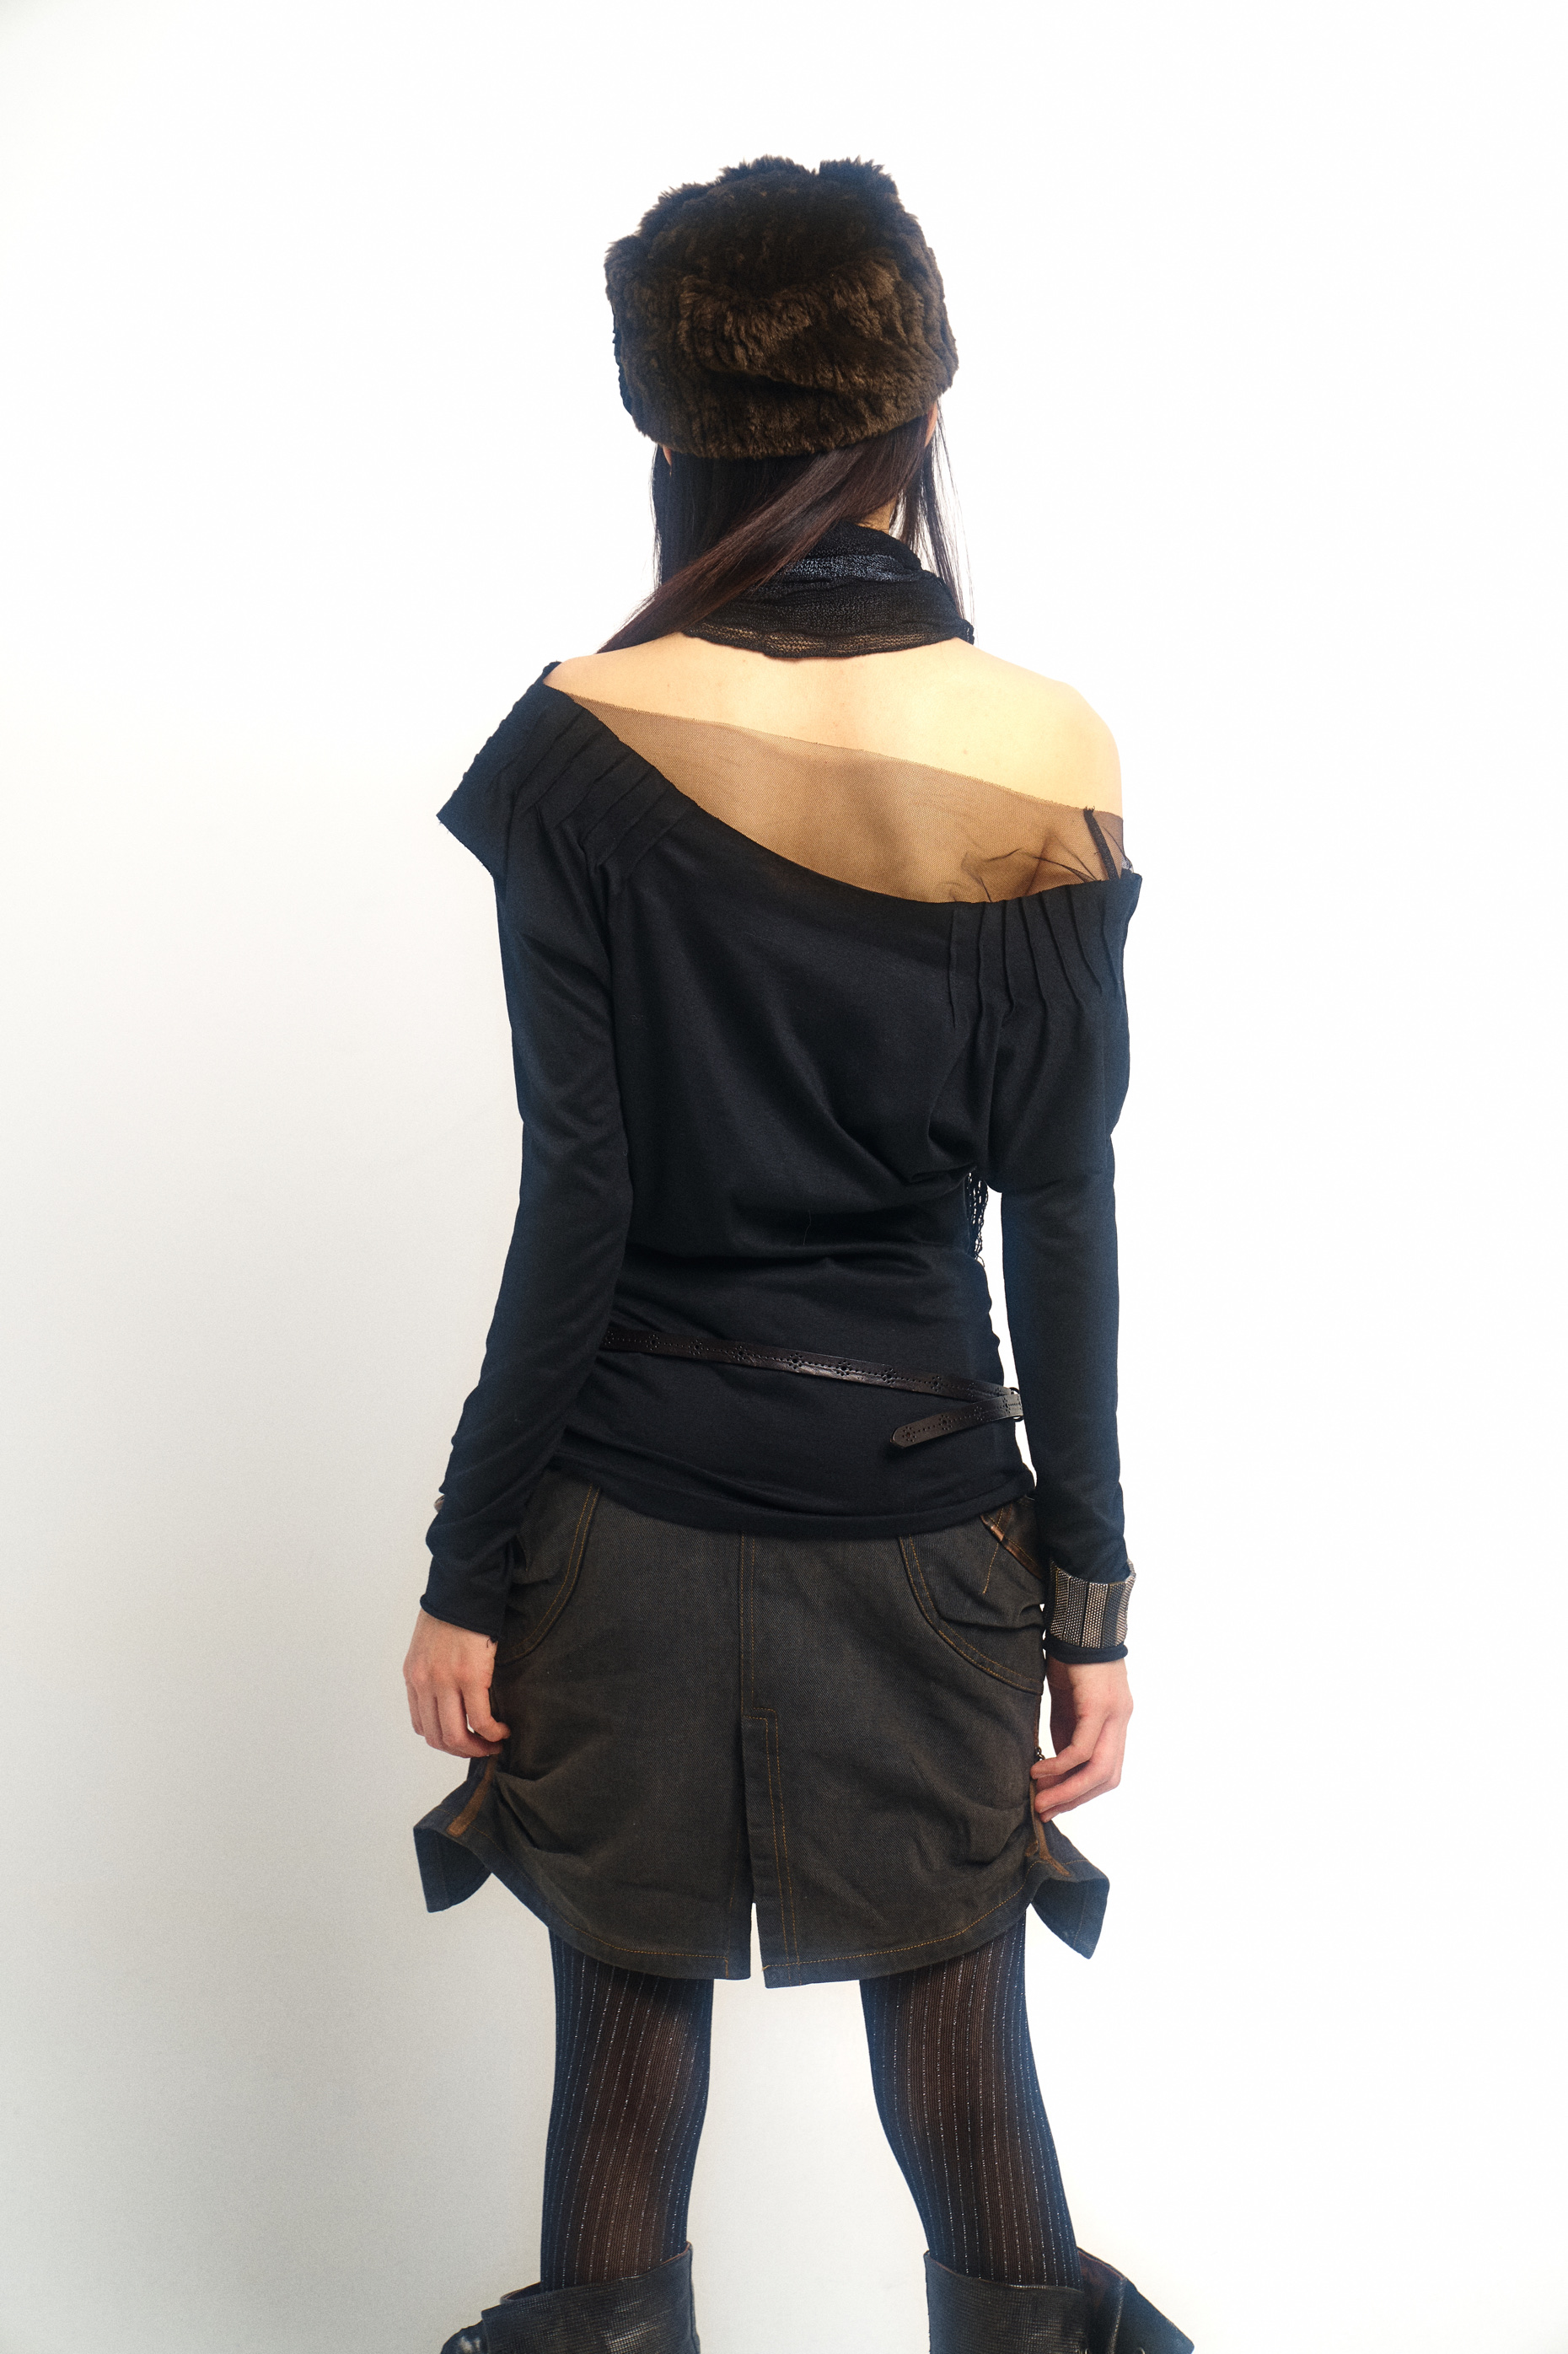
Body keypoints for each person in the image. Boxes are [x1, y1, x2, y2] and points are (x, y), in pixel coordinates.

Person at [405, 157, 1189, 2354]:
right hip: (925, 1524)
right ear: (913, 422)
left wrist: (470, 1562)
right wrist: (1091, 1602)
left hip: (619, 1521)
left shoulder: (579, 735)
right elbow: (1062, 1206)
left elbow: (577, 1201)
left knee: (619, 2049)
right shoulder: (1042, 747)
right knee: (960, 2050)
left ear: (674, 439)